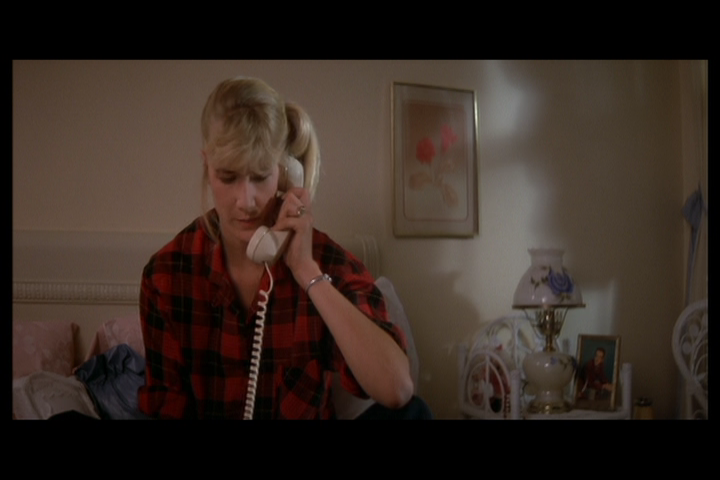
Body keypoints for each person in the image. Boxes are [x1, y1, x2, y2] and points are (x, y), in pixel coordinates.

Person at [137, 77, 421, 419]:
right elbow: (166, 407)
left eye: (260, 176)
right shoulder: (167, 275)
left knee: (414, 414)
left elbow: (397, 389)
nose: (246, 202)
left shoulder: (327, 262)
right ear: (206, 166)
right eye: (228, 177)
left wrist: (307, 272)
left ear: (286, 173)